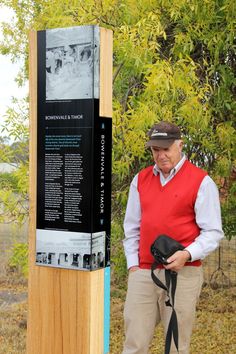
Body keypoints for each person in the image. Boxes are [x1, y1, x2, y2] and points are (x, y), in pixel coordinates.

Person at [122, 121, 223, 354]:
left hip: (184, 273)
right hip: (144, 273)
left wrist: (187, 254)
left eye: (166, 148)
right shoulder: (141, 179)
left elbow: (213, 232)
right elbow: (132, 228)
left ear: (180, 145)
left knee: (176, 347)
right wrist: (133, 266)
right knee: (133, 344)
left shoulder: (201, 181)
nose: (161, 155)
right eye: (156, 149)